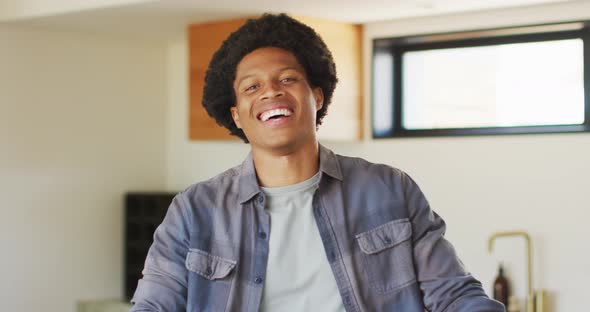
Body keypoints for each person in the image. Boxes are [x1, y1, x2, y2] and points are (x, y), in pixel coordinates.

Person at [130, 13, 505, 312]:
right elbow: (154, 305)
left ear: (317, 96)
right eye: (252, 87)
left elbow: (454, 294)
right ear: (237, 115)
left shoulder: (389, 189)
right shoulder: (195, 211)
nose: (271, 91)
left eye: (288, 78)